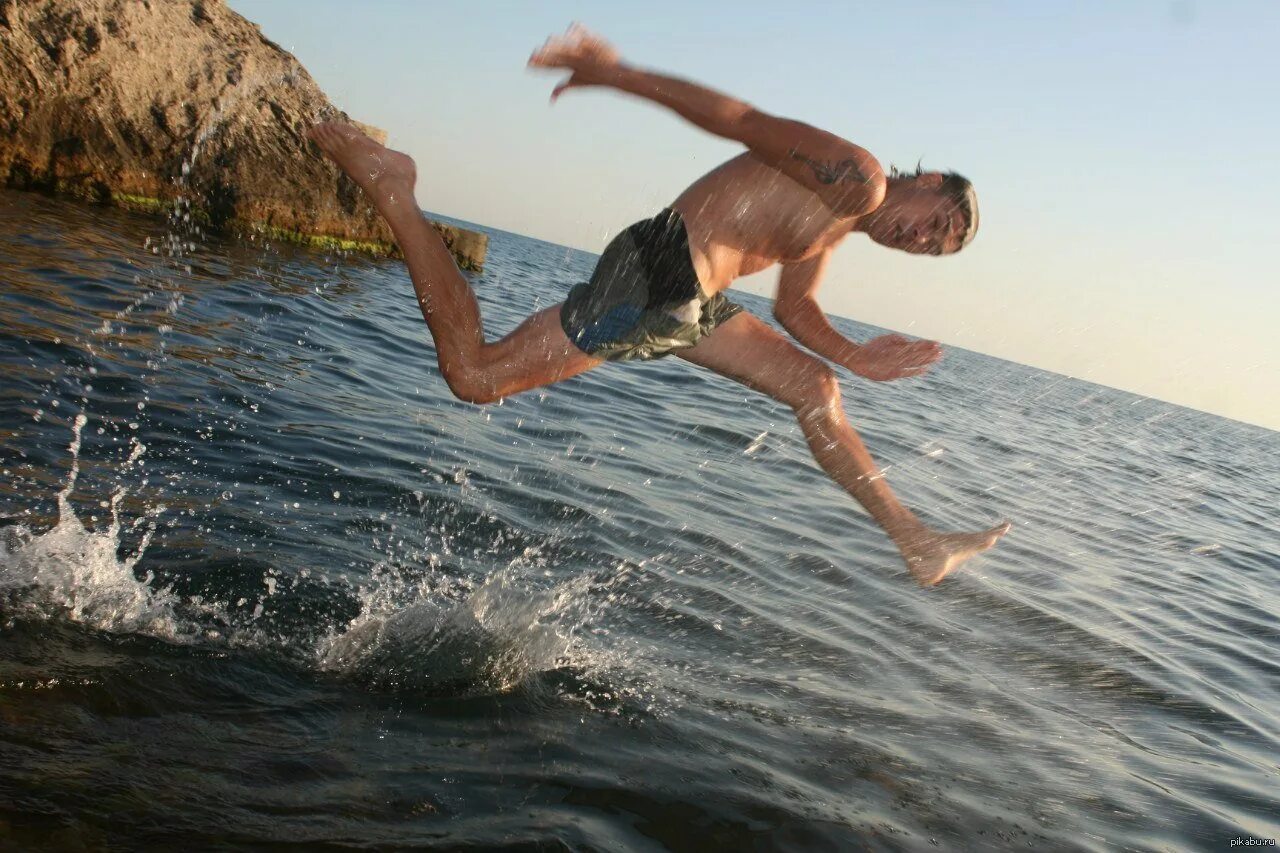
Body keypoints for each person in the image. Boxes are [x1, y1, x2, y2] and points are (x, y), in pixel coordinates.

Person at [306, 24, 1010, 586]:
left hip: (690, 298)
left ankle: (917, 540)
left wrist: (856, 358)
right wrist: (615, 74)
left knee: (814, 387)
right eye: (935, 223)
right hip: (666, 273)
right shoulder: (859, 180)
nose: (920, 240)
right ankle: (392, 188)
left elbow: (797, 312)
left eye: (933, 249)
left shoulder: (842, 218)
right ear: (933, 180)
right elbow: (741, 118)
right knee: (473, 374)